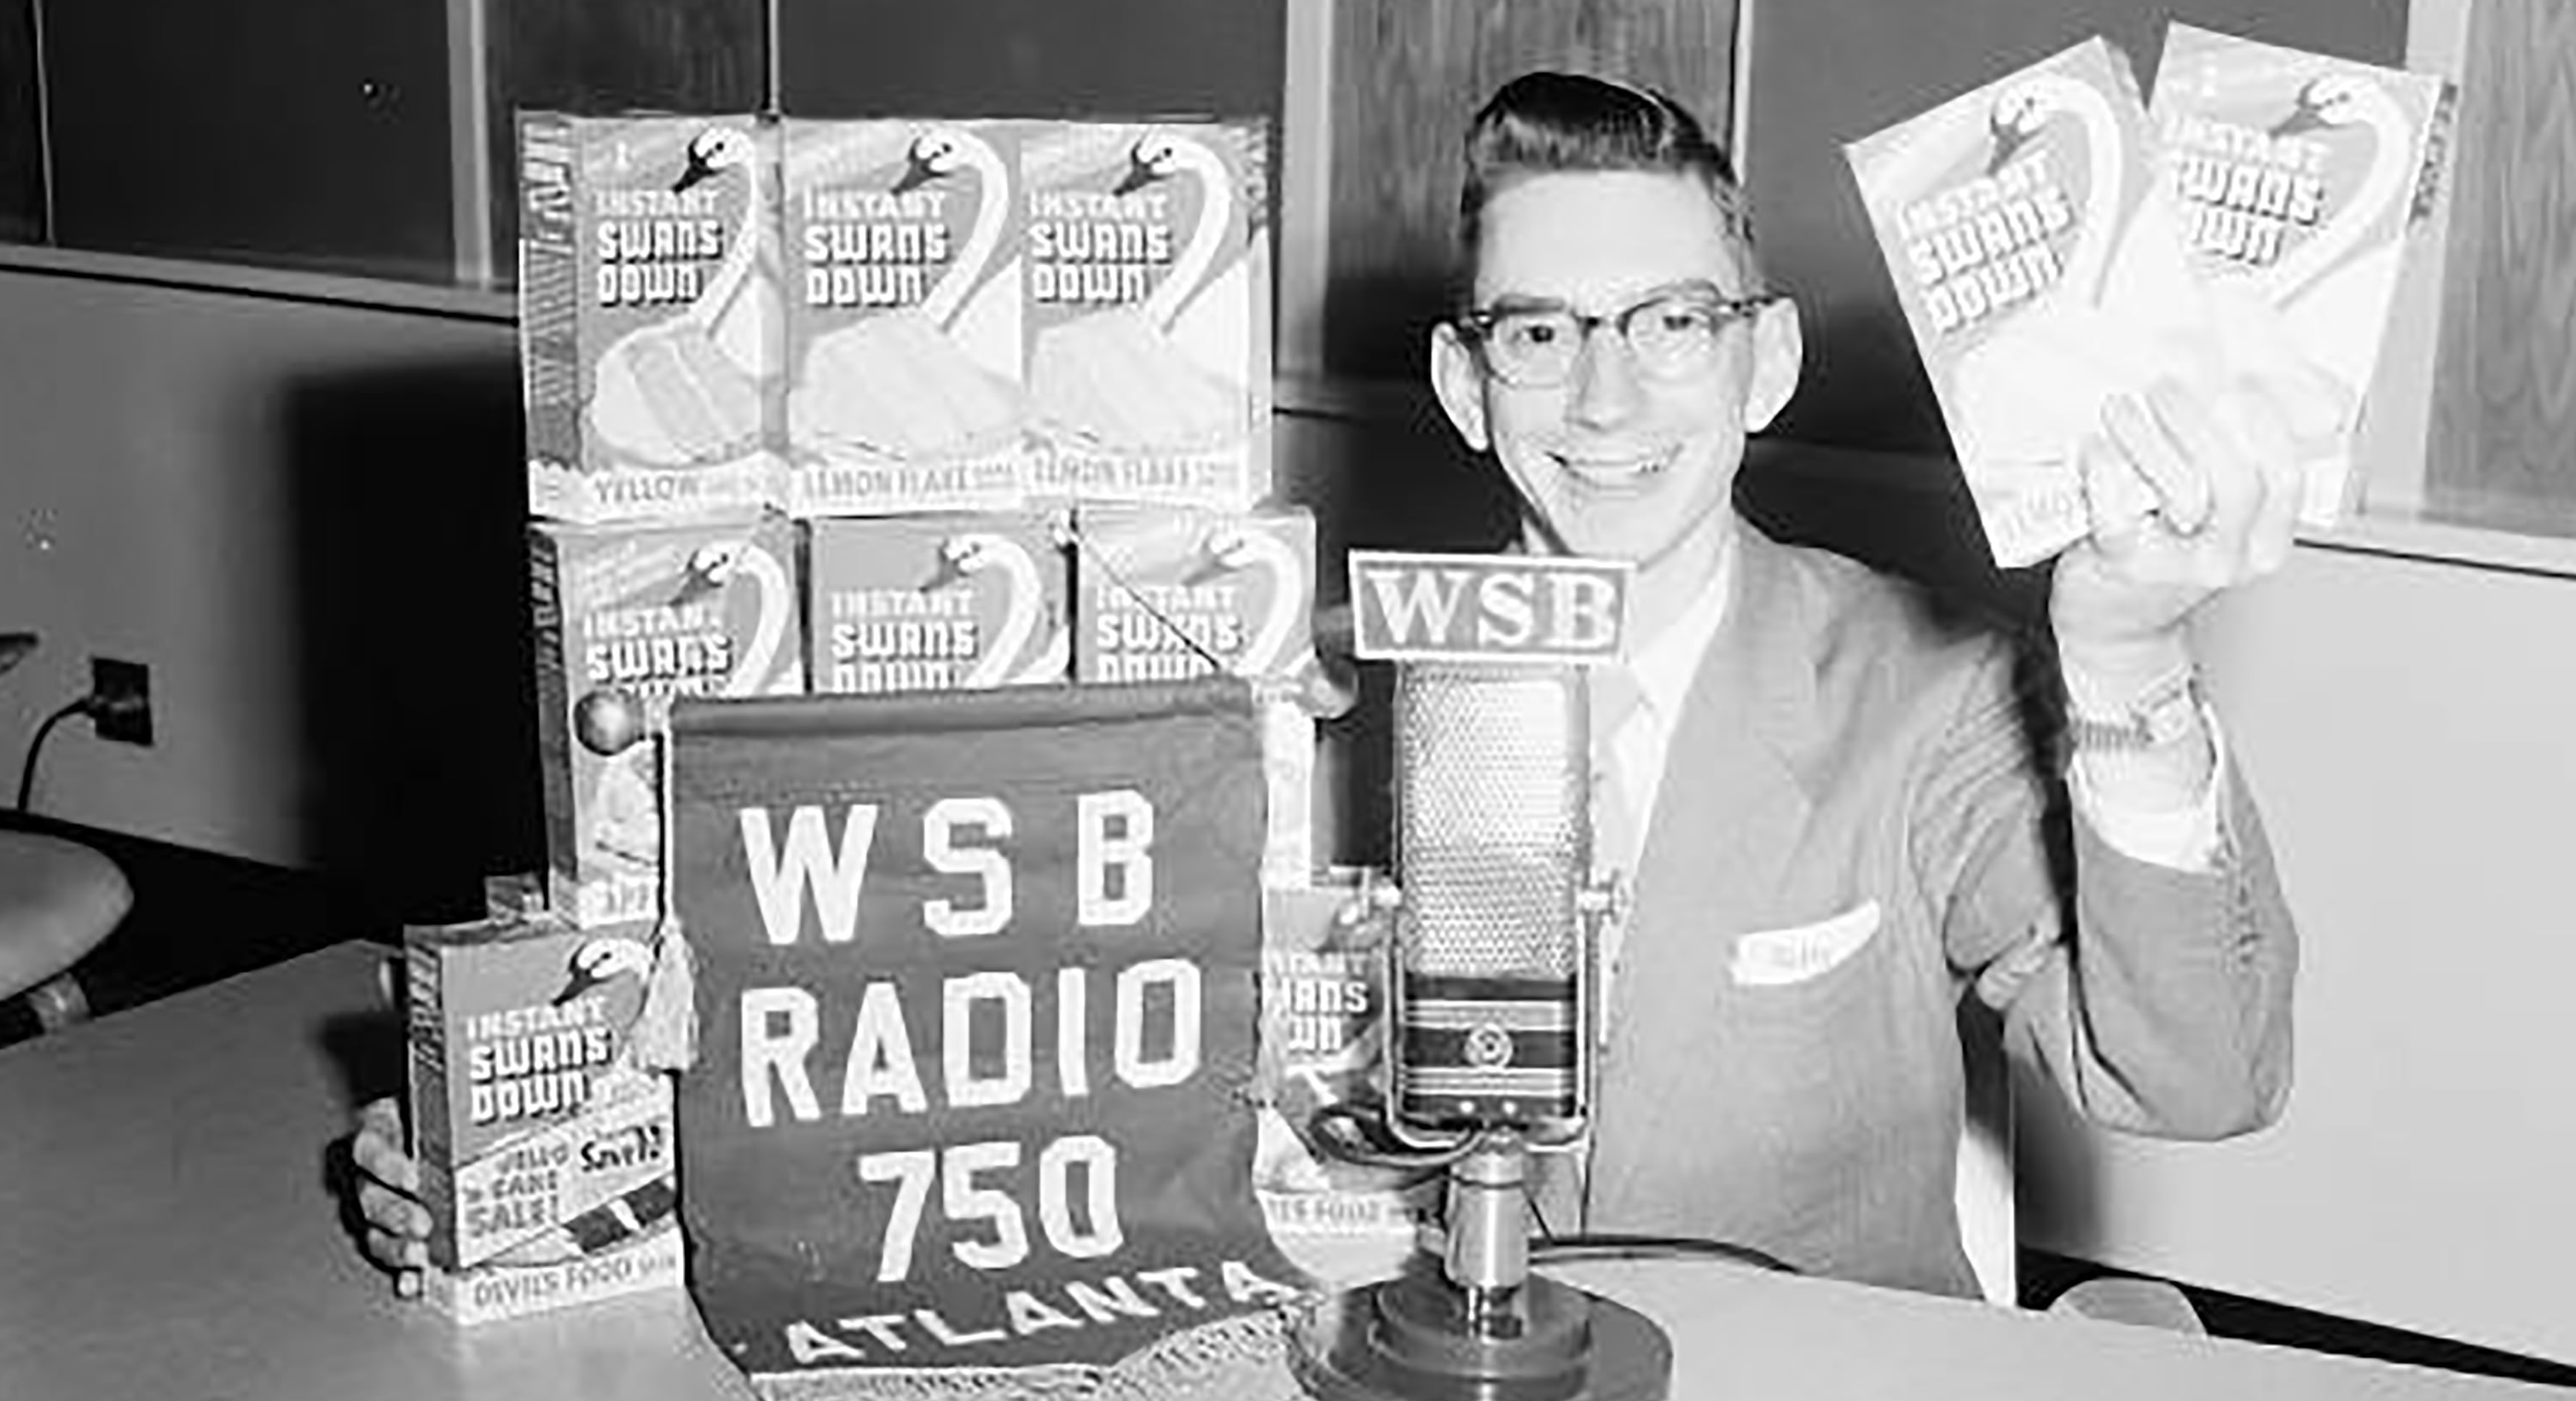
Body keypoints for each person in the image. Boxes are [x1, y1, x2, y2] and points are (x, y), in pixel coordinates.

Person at [346, 70, 2305, 1302]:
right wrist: (546, 1166)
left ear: (1766, 361)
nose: (1609, 399)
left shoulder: (1923, 690)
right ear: (1464, 388)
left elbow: (2193, 1080)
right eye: (1542, 331)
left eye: (1673, 325)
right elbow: (960, 1040)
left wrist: (2122, 656)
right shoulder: (1298, 713)